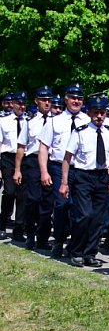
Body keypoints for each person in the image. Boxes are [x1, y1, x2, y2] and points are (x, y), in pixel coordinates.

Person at [59, 93, 109, 267]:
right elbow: (67, 157)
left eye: (102, 112)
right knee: (84, 215)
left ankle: (90, 253)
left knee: (98, 219)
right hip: (83, 176)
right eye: (95, 112)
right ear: (89, 112)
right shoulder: (80, 132)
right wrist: (64, 182)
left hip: (101, 177)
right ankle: (76, 250)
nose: (99, 116)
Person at [37, 83, 89, 257]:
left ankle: (75, 244)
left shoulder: (88, 121)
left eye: (79, 98)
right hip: (58, 167)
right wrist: (44, 171)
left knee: (79, 208)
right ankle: (59, 240)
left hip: (82, 170)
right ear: (65, 99)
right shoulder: (54, 121)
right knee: (62, 205)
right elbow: (43, 147)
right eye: (73, 98)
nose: (76, 101)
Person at [14, 86, 53, 250]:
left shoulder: (56, 121)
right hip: (32, 162)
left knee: (47, 202)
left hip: (51, 162)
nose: (47, 103)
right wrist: (17, 169)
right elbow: (21, 147)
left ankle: (43, 238)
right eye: (43, 100)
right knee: (33, 199)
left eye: (49, 100)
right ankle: (30, 234)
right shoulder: (30, 123)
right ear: (36, 101)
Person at [0, 91, 28, 241]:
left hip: (24, 159)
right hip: (8, 158)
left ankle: (18, 229)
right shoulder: (3, 121)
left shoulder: (28, 121)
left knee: (22, 195)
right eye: (19, 103)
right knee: (10, 192)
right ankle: (2, 224)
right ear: (13, 104)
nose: (21, 107)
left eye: (24, 104)